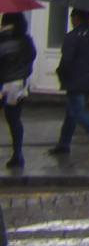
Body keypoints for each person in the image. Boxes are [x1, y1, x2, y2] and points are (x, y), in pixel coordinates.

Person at [50, 9, 89, 158]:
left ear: (77, 18)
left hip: (74, 79)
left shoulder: (72, 36)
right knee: (71, 112)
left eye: (72, 17)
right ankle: (64, 144)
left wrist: (61, 73)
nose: (71, 20)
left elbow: (66, 61)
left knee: (77, 112)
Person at [0, 11, 34, 169]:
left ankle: (17, 155)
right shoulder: (26, 39)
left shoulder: (2, 39)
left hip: (4, 84)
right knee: (14, 119)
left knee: (11, 118)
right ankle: (17, 153)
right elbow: (31, 57)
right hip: (19, 84)